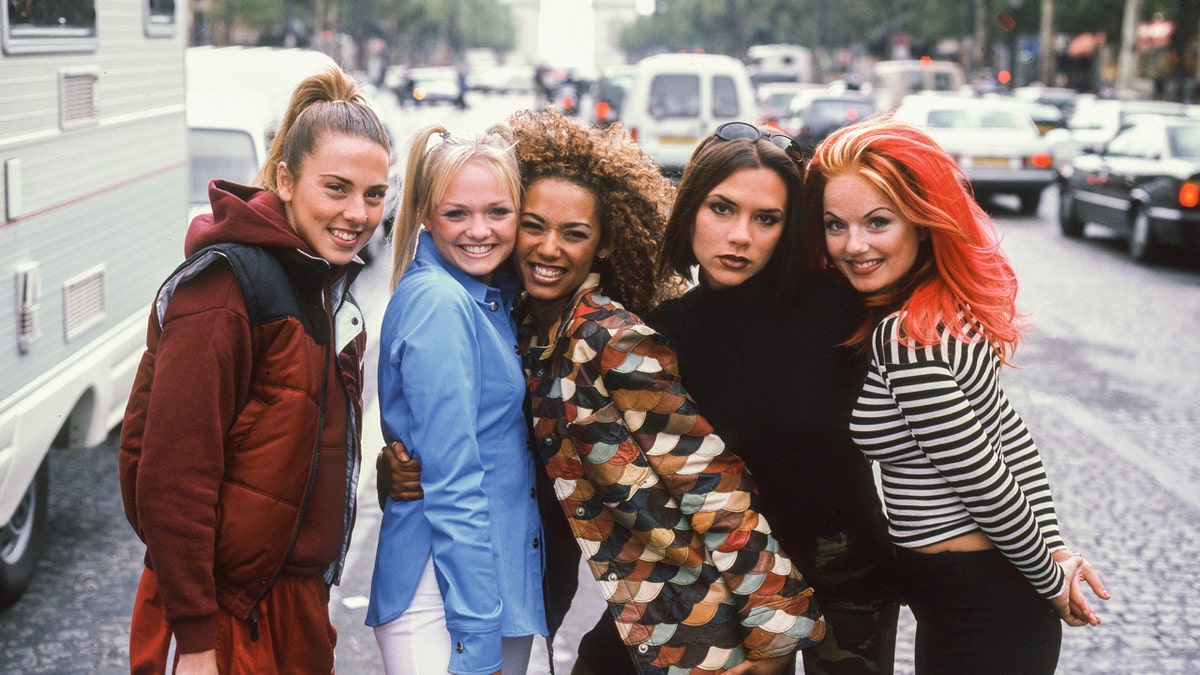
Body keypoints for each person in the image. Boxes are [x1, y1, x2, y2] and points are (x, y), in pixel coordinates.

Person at [380, 110, 827, 674]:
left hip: (693, 622)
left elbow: (711, 482)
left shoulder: (611, 339)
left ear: (604, 246)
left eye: (575, 234)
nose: (549, 248)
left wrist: (774, 631)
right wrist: (398, 464)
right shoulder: (509, 324)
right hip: (621, 609)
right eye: (533, 225)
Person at [805, 117, 1109, 673]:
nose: (855, 245)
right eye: (835, 225)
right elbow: (1009, 433)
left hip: (979, 604)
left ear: (922, 221)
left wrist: (1051, 579)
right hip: (975, 602)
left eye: (878, 222)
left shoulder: (904, 338)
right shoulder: (945, 311)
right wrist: (1056, 549)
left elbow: (980, 474)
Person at [118, 67, 391, 674]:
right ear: (288, 181)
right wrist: (194, 643)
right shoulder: (225, 288)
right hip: (221, 616)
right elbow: (170, 478)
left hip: (293, 609)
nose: (358, 213)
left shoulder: (323, 286)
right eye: (338, 188)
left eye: (375, 194)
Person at [650, 121, 901, 675]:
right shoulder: (664, 332)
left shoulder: (841, 307)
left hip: (849, 579)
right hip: (734, 585)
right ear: (689, 206)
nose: (740, 235)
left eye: (766, 219)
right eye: (722, 209)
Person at [366, 123, 546, 675]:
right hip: (445, 595)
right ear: (424, 215)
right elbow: (453, 481)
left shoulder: (489, 297)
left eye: (498, 212)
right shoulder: (441, 305)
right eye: (456, 214)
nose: (479, 231)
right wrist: (475, 636)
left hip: (489, 584)